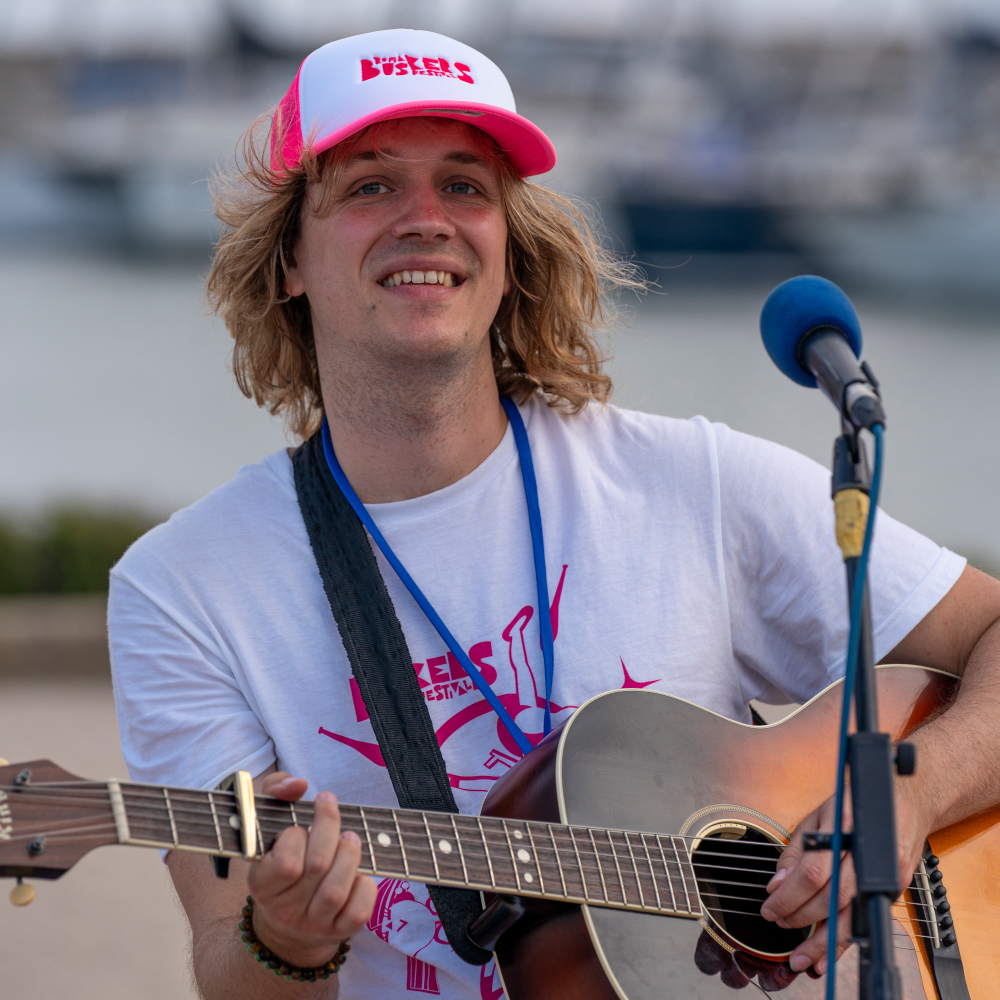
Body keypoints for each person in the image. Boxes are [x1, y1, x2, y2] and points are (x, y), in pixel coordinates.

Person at [108, 27, 1000, 1000]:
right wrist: (286, 938)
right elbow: (227, 971)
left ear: (507, 247)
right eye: (369, 185)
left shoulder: (693, 481)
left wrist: (905, 800)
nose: (425, 219)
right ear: (286, 258)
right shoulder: (183, 587)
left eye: (464, 185)